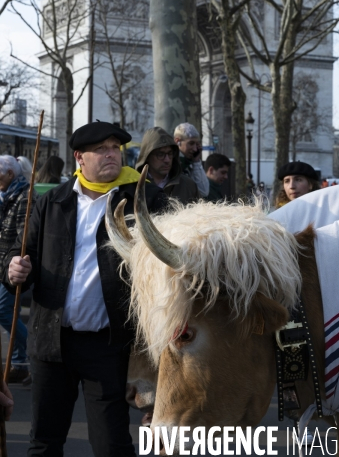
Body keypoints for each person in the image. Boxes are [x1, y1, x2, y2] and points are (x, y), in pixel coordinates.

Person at [3, 121, 166, 457]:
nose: (111, 155)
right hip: (51, 342)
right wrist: (13, 269)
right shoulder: (53, 202)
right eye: (102, 149)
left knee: (111, 444)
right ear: (80, 157)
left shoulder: (143, 199)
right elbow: (23, 255)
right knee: (44, 442)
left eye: (115, 149)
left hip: (108, 345)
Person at [0, 155, 37, 383]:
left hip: (13, 265)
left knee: (3, 310)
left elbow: (25, 237)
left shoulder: (25, 196)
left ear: (10, 175)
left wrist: (14, 261)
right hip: (3, 264)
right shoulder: (5, 194)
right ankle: (19, 362)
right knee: (9, 312)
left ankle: (33, 351)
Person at [136, 127, 200, 203]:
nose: (167, 160)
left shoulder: (188, 185)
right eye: (160, 154)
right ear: (147, 156)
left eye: (170, 153)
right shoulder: (134, 186)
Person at [173, 122, 209, 197]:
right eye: (191, 143)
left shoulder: (189, 163)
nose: (195, 149)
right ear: (177, 141)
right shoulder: (171, 163)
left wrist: (196, 161)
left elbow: (204, 191)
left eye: (196, 144)